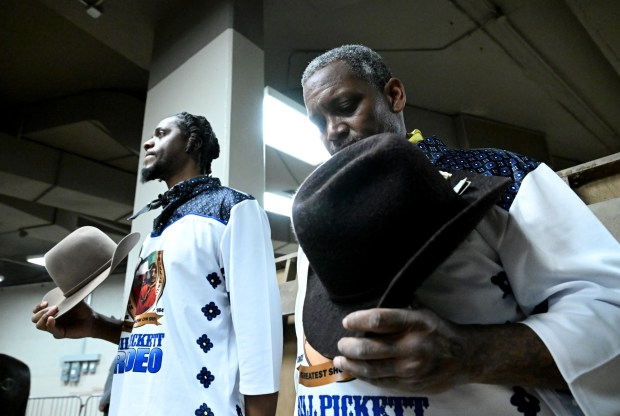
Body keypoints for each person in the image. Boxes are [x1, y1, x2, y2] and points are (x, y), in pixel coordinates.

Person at [292, 44, 620, 415]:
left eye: (346, 106)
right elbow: (310, 359)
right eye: (318, 123)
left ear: (394, 95)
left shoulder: (500, 176)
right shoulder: (319, 218)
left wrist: (468, 354)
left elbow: (610, 311)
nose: (333, 131)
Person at [32, 112, 283, 416]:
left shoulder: (233, 209)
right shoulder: (155, 232)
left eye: (162, 133)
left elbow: (259, 336)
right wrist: (95, 324)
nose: (149, 141)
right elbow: (161, 330)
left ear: (193, 142)